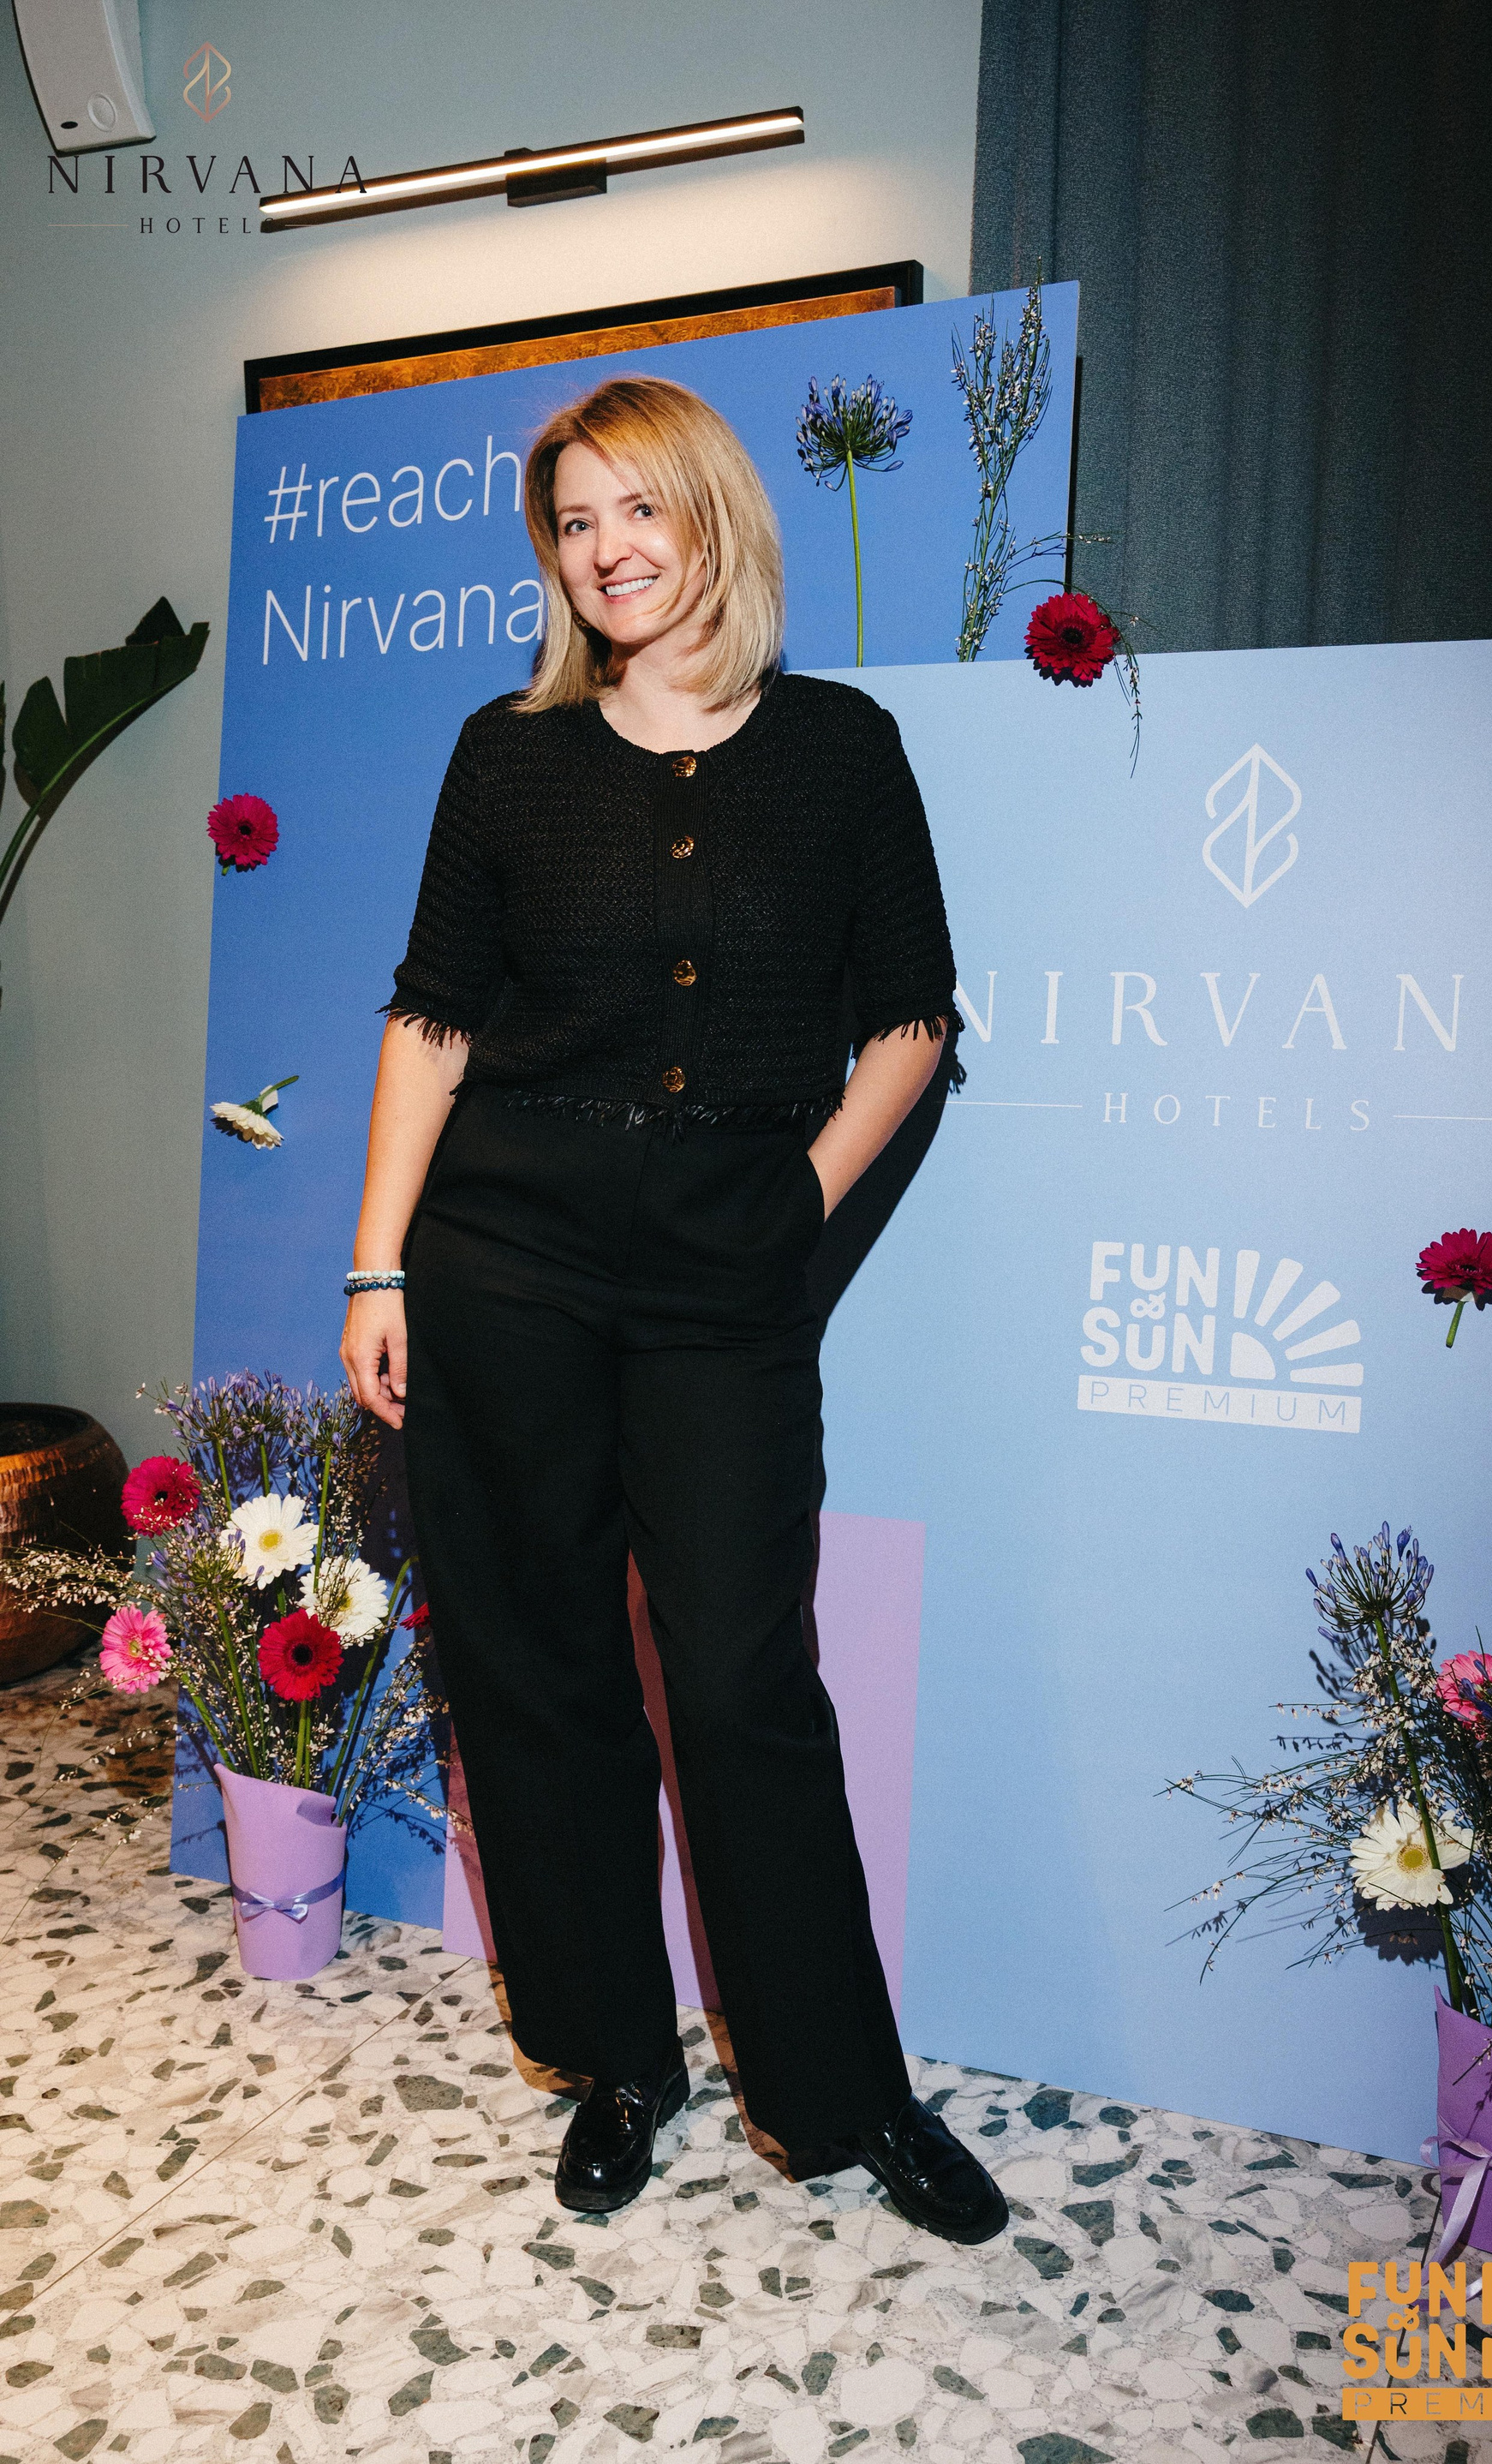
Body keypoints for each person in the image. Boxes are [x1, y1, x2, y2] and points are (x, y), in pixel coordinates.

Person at [340, 374, 1006, 2244]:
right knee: (539, 1665)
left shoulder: (842, 749)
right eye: (575, 522)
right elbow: (434, 1016)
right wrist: (379, 1259)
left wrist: (798, 1195)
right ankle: (617, 2061)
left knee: (737, 1675)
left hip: (727, 1261)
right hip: (506, 1257)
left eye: (639, 507)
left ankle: (844, 2093)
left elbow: (914, 1018)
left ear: (714, 513)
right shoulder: (509, 755)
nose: (608, 549)